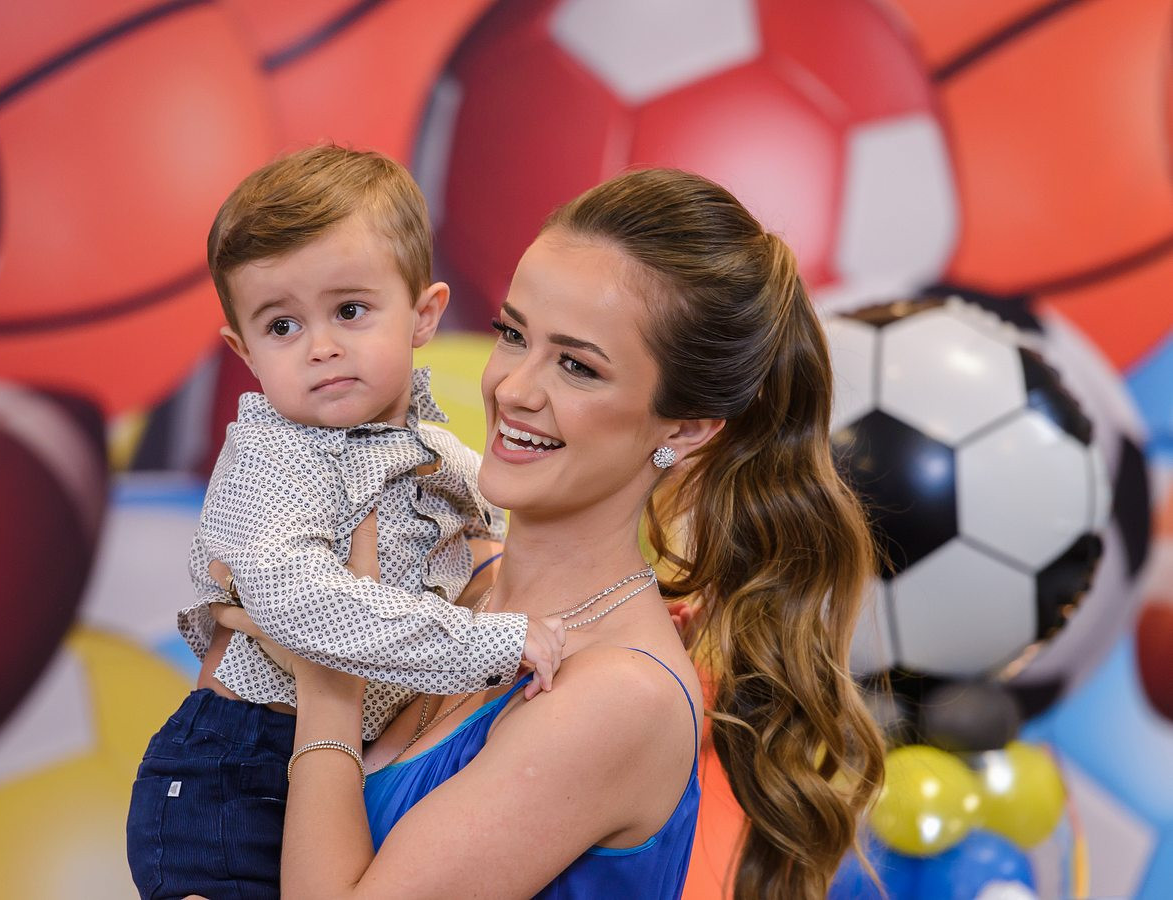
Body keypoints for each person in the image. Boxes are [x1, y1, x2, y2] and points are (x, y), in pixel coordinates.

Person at [210, 167, 886, 899]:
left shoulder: (618, 696)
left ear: (685, 428)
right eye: (513, 334)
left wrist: (327, 682)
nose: (512, 389)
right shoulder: (448, 582)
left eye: (576, 366)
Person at [125, 145, 566, 900]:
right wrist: (489, 643)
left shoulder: (437, 456)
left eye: (350, 311)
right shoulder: (271, 457)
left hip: (340, 764)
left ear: (424, 315)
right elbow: (303, 602)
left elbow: (515, 543)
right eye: (282, 326)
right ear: (244, 351)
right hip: (231, 775)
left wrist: (612, 605)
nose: (322, 347)